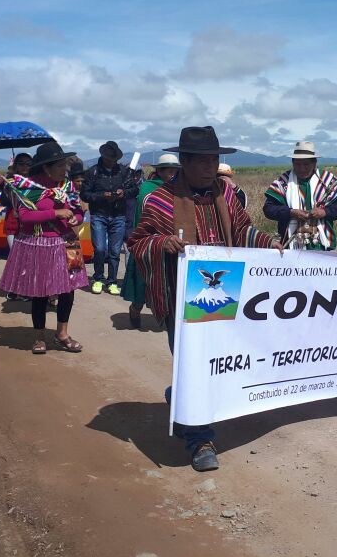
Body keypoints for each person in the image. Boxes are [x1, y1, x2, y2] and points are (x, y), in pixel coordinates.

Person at [127, 126, 281, 472]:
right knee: (193, 364)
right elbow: (138, 242)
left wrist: (268, 243)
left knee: (214, 364)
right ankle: (200, 440)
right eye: (203, 161)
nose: (211, 167)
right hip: (181, 300)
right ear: (184, 162)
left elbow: (242, 230)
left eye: (215, 160)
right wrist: (163, 243)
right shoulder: (159, 200)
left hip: (224, 295)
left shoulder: (225, 195)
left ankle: (179, 398)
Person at [0, 140, 88, 354]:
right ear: (46, 168)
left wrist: (76, 218)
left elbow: (78, 210)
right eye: (59, 166)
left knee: (68, 290)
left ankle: (62, 334)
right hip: (40, 243)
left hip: (68, 242)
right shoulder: (29, 188)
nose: (64, 170)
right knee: (40, 291)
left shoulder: (67, 186)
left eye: (64, 165)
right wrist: (55, 213)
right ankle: (39, 336)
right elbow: (25, 216)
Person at [122, 153, 181, 329]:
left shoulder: (178, 189)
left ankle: (168, 317)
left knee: (167, 284)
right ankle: (135, 309)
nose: (171, 174)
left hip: (169, 243)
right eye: (168, 170)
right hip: (149, 241)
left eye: (174, 171)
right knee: (142, 282)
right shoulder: (147, 188)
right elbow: (141, 216)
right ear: (160, 171)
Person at [263, 141, 337, 250]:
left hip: (322, 244)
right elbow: (268, 209)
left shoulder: (327, 181)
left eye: (306, 164)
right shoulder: (282, 182)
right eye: (298, 164)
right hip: (290, 245)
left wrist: (324, 212)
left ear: (314, 163)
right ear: (292, 163)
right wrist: (290, 212)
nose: (302, 168)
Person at [81, 141, 138, 295]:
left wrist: (123, 193)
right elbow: (84, 194)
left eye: (114, 159)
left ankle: (112, 281)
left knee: (114, 251)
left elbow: (134, 189)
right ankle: (98, 279)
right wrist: (101, 196)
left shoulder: (124, 172)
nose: (112, 162)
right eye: (109, 159)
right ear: (103, 156)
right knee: (99, 249)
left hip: (118, 215)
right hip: (99, 215)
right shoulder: (93, 172)